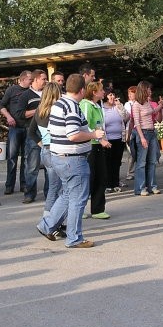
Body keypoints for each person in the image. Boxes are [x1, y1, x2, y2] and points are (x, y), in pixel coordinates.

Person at [36, 74, 104, 248]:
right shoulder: (72, 107)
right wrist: (93, 135)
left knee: (67, 195)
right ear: (82, 90)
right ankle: (74, 238)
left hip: (58, 157)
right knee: (78, 200)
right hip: (73, 160)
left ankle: (47, 225)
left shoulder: (58, 104)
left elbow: (53, 130)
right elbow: (73, 134)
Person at [27, 82, 63, 221]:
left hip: (46, 150)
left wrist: (43, 145)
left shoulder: (39, 110)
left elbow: (31, 132)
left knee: (54, 186)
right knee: (57, 188)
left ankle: (51, 217)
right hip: (57, 150)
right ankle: (49, 219)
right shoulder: (56, 110)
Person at [80, 81, 112, 219]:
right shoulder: (86, 105)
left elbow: (100, 125)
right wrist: (100, 139)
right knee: (88, 178)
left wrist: (104, 139)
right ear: (94, 92)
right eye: (101, 90)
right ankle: (78, 209)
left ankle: (98, 209)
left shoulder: (97, 105)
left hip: (98, 145)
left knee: (101, 177)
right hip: (90, 145)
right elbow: (85, 125)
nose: (104, 92)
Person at [0, 70, 32, 194]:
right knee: (12, 157)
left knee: (26, 157)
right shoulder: (12, 90)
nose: (32, 81)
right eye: (30, 79)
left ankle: (24, 184)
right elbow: (1, 105)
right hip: (15, 128)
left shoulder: (32, 92)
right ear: (23, 79)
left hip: (28, 128)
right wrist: (8, 116)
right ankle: (9, 185)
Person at [17, 69, 48, 204]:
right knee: (32, 165)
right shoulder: (25, 95)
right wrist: (39, 110)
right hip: (33, 133)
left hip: (48, 133)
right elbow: (20, 114)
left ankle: (49, 193)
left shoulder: (48, 94)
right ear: (35, 80)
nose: (46, 81)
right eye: (43, 79)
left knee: (49, 165)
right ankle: (29, 193)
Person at [132, 81, 163, 196]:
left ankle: (152, 186)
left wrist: (160, 106)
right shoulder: (136, 104)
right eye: (148, 89)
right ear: (143, 90)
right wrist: (141, 138)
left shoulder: (147, 103)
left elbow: (153, 112)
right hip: (144, 133)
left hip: (151, 132)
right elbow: (136, 122)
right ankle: (140, 188)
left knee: (152, 161)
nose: (150, 91)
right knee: (141, 162)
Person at [103, 90, 128, 193]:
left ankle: (116, 183)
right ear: (105, 96)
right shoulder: (102, 108)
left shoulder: (118, 107)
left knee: (117, 162)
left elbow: (126, 118)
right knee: (107, 162)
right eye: (110, 95)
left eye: (113, 95)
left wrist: (120, 107)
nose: (112, 97)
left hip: (119, 138)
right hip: (107, 139)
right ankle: (108, 184)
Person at [124, 86, 137, 181]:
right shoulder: (127, 104)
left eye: (131, 93)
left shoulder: (140, 103)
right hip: (130, 129)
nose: (129, 95)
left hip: (139, 128)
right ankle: (130, 172)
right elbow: (126, 118)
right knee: (131, 152)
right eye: (129, 93)